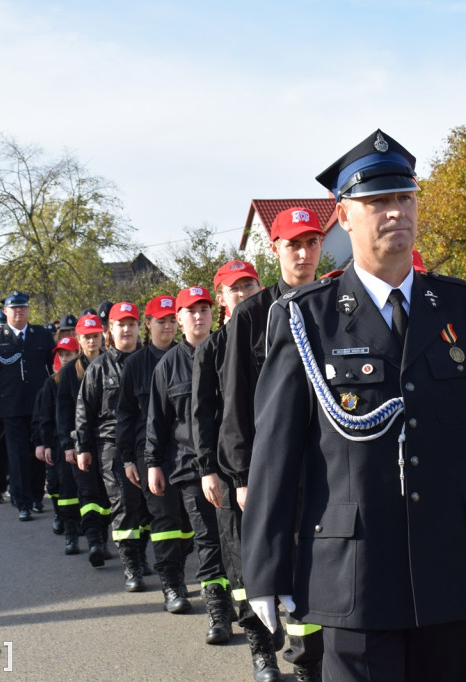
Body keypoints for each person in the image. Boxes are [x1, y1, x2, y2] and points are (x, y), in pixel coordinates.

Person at [241, 129, 466, 682]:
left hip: (451, 565)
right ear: (344, 217)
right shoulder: (306, 317)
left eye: (404, 198)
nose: (395, 212)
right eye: (378, 201)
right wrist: (265, 569)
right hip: (354, 574)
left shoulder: (465, 308)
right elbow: (276, 452)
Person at [220, 206, 326, 680]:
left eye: (311, 243)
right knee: (291, 561)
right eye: (293, 244)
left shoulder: (339, 300)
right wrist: (242, 476)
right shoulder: (251, 315)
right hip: (276, 463)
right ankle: (303, 664)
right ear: (275, 249)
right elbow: (236, 402)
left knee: (333, 560)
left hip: (333, 461)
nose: (303, 254)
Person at [190, 260, 276, 678]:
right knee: (241, 561)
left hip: (279, 461)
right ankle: (261, 649)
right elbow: (202, 414)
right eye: (234, 288)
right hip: (230, 469)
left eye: (249, 285)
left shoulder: (277, 331)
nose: (243, 293)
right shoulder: (211, 348)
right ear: (221, 297)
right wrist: (208, 468)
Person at [144, 286, 233, 646]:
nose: (198, 316)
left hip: (232, 466)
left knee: (237, 542)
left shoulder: (229, 352)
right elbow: (157, 421)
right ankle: (218, 613)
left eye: (204, 309)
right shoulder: (167, 365)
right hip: (190, 469)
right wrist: (152, 463)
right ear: (179, 319)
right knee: (209, 542)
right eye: (190, 311)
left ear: (213, 314)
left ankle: (248, 608)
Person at [76, 302, 150, 591]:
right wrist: (82, 446)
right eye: (121, 324)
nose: (127, 329)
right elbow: (85, 409)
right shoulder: (99, 368)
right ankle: (130, 566)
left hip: (145, 444)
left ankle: (141, 554)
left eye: (132, 323)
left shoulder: (149, 361)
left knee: (146, 506)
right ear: (111, 329)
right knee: (124, 505)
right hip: (111, 445)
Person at [116, 295, 178, 583]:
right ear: (148, 325)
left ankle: (178, 564)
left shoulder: (189, 356)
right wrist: (127, 457)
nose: (167, 327)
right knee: (162, 515)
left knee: (187, 521)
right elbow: (126, 414)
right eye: (160, 321)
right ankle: (171, 583)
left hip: (184, 447)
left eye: (172, 320)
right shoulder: (135, 364)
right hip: (147, 450)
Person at [0, 291, 54, 521]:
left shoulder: (41, 335)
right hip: (11, 406)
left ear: (28, 310)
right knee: (17, 455)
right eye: (14, 308)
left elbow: (52, 369)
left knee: (37, 453)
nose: (19, 312)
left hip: (37, 405)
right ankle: (21, 501)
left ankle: (36, 496)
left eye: (22, 307)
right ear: (6, 311)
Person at [58, 313, 108, 564]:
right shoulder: (69, 371)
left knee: (108, 494)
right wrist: (68, 445)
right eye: (87, 337)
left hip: (109, 442)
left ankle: (105, 538)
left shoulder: (112, 364)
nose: (92, 341)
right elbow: (64, 411)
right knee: (87, 493)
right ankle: (94, 540)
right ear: (79, 339)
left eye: (95, 336)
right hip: (81, 442)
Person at [34, 335, 80, 552]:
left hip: (84, 440)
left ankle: (93, 532)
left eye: (69, 354)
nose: (64, 359)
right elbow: (45, 416)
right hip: (61, 442)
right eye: (61, 355)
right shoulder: (52, 383)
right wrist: (45, 443)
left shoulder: (86, 376)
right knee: (63, 487)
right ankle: (69, 530)